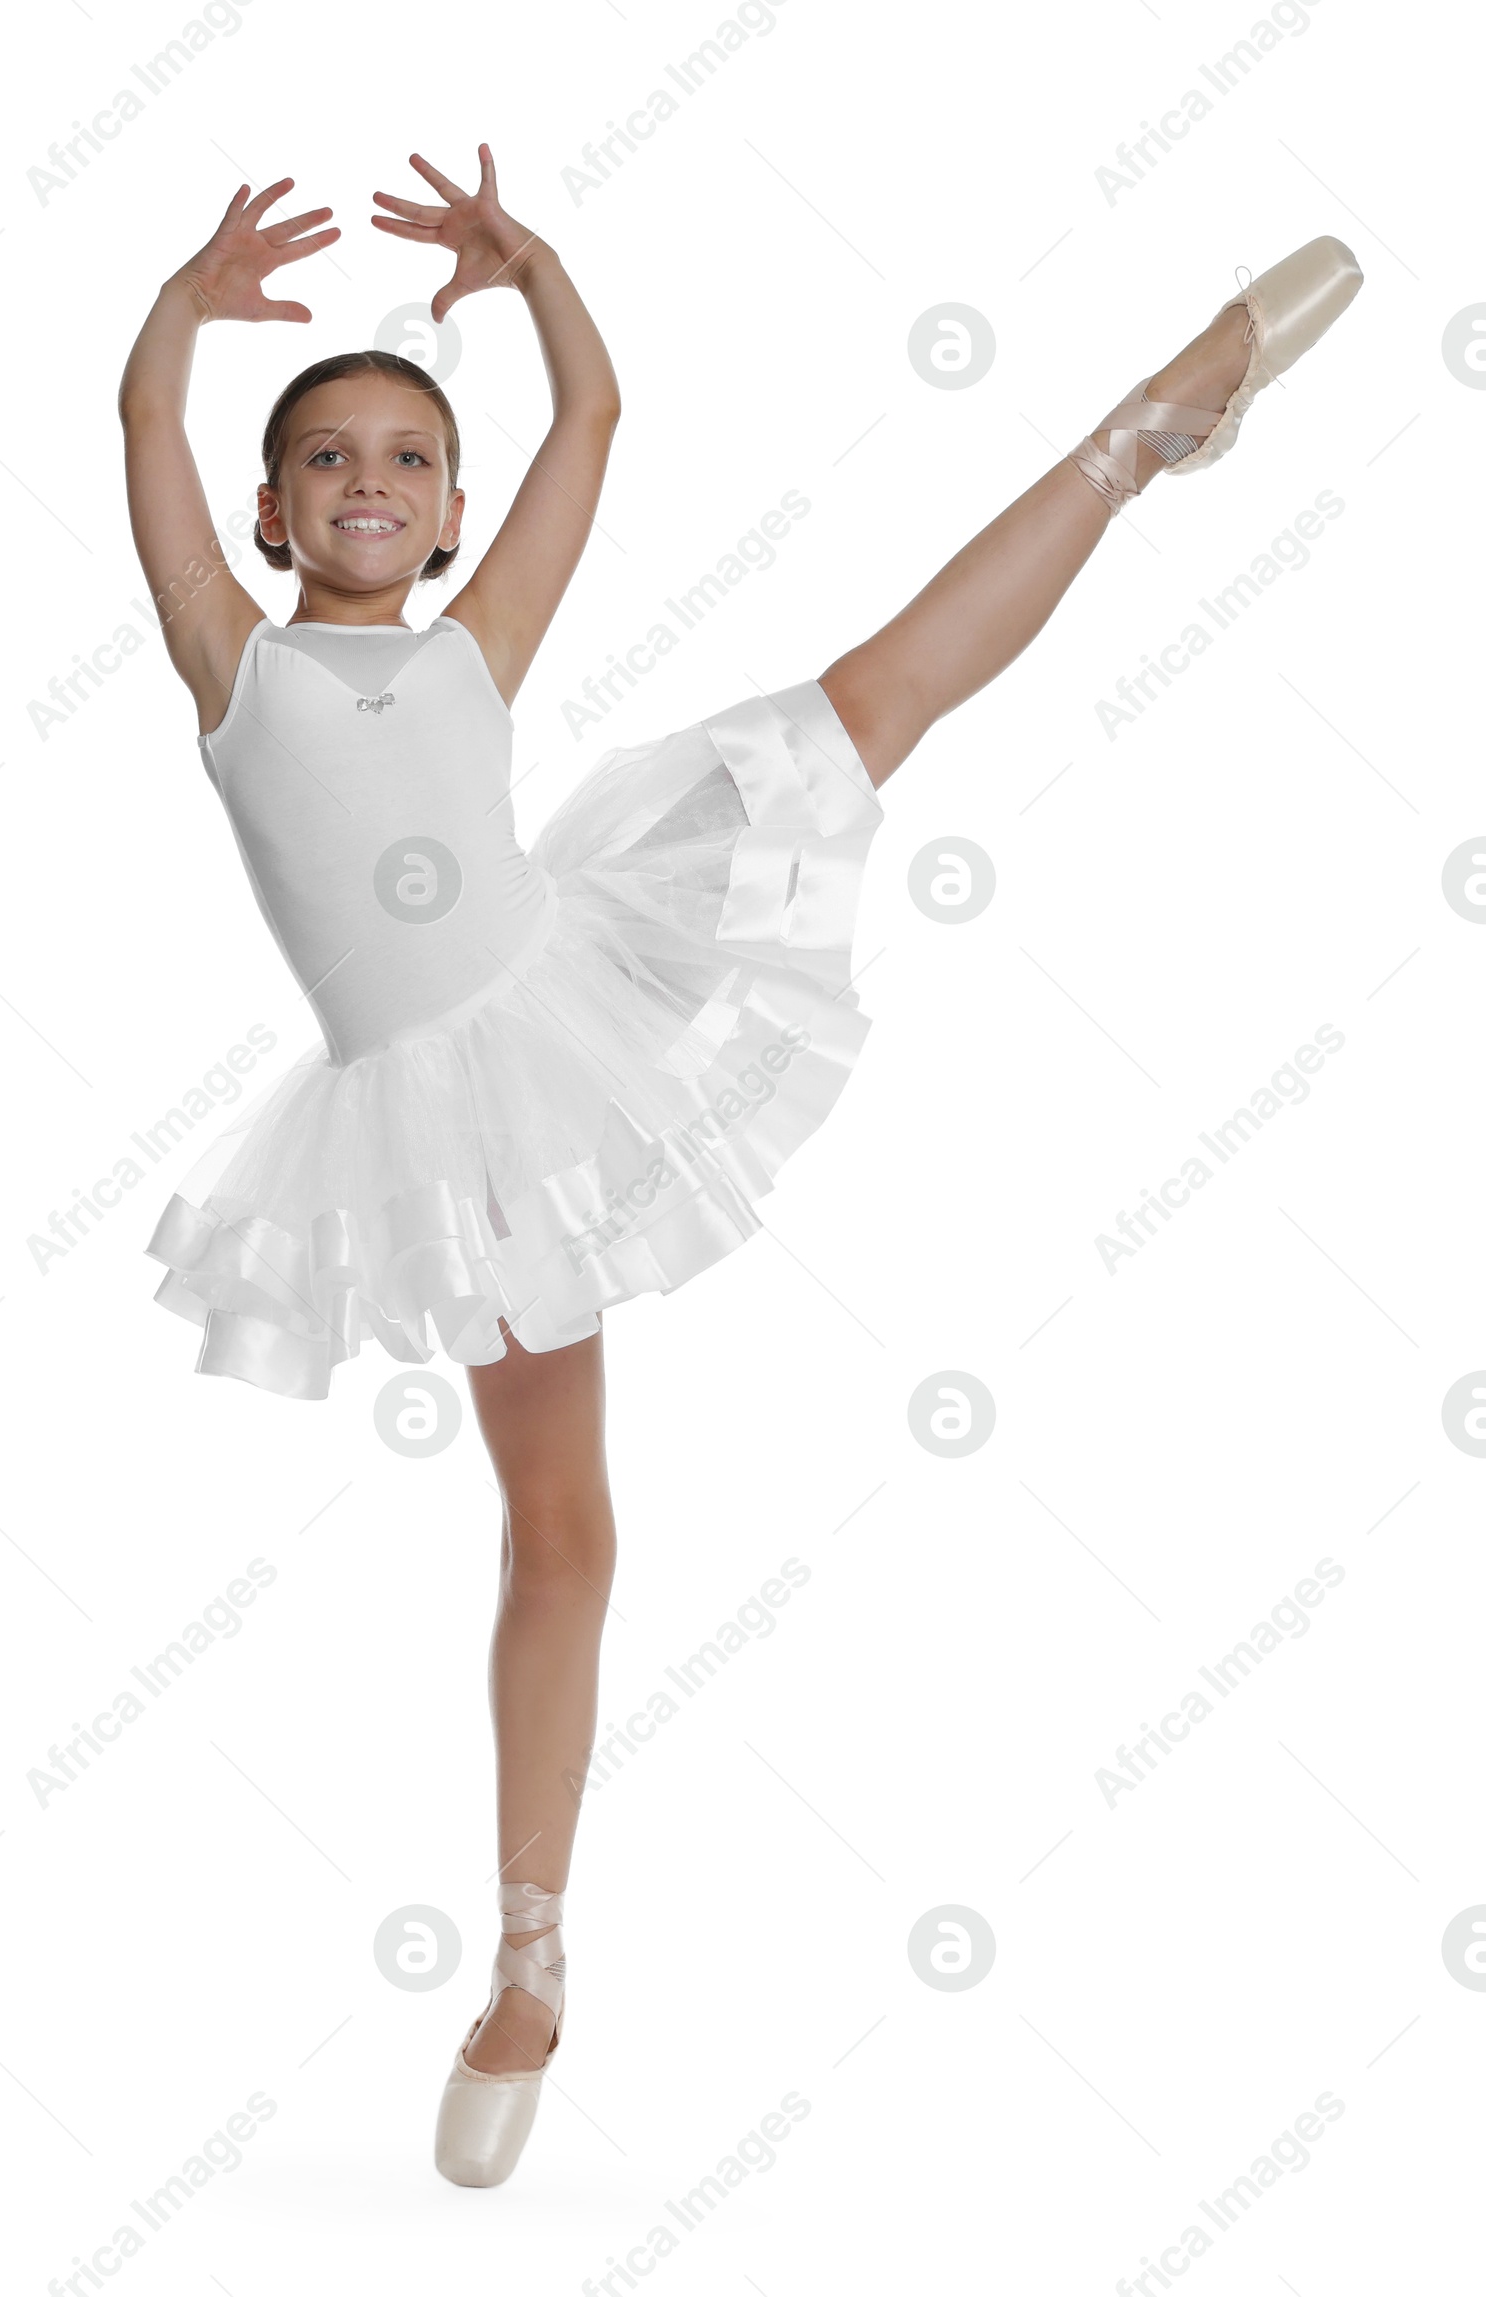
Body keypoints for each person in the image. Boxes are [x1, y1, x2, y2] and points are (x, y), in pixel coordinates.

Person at [116, 147, 1361, 2185]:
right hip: (446, 1128)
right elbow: (137, 426)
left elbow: (591, 418)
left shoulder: (464, 648)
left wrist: (525, 275)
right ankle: (531, 1958)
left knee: (866, 702)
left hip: (568, 983)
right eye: (326, 456)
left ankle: (1154, 421)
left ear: (440, 521)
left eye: (410, 457)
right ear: (268, 517)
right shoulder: (227, 667)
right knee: (565, 1545)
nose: (369, 477)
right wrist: (180, 304)